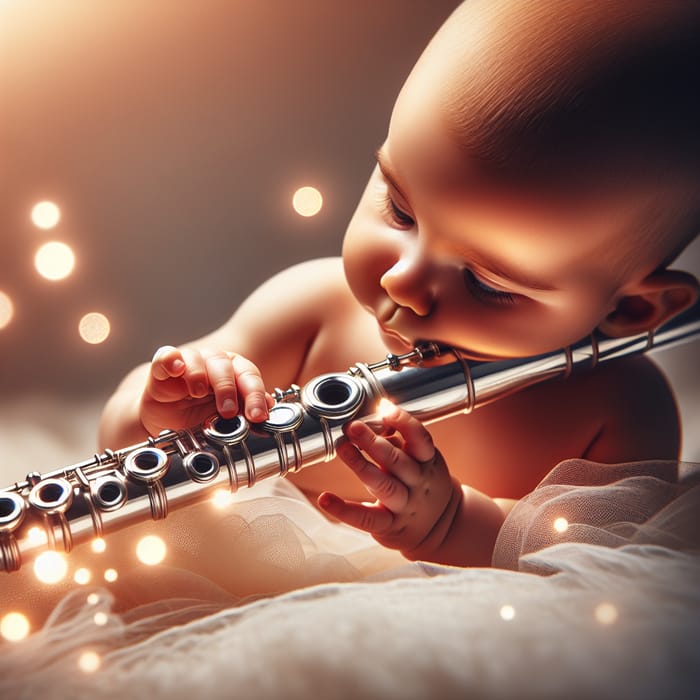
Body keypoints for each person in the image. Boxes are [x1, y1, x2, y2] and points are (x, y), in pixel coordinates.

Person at [99, 0, 699, 567]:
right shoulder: (312, 307)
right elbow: (120, 447)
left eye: (487, 283)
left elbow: (601, 574)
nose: (401, 280)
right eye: (401, 210)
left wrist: (457, 524)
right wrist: (159, 417)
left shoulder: (622, 409)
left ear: (630, 311)